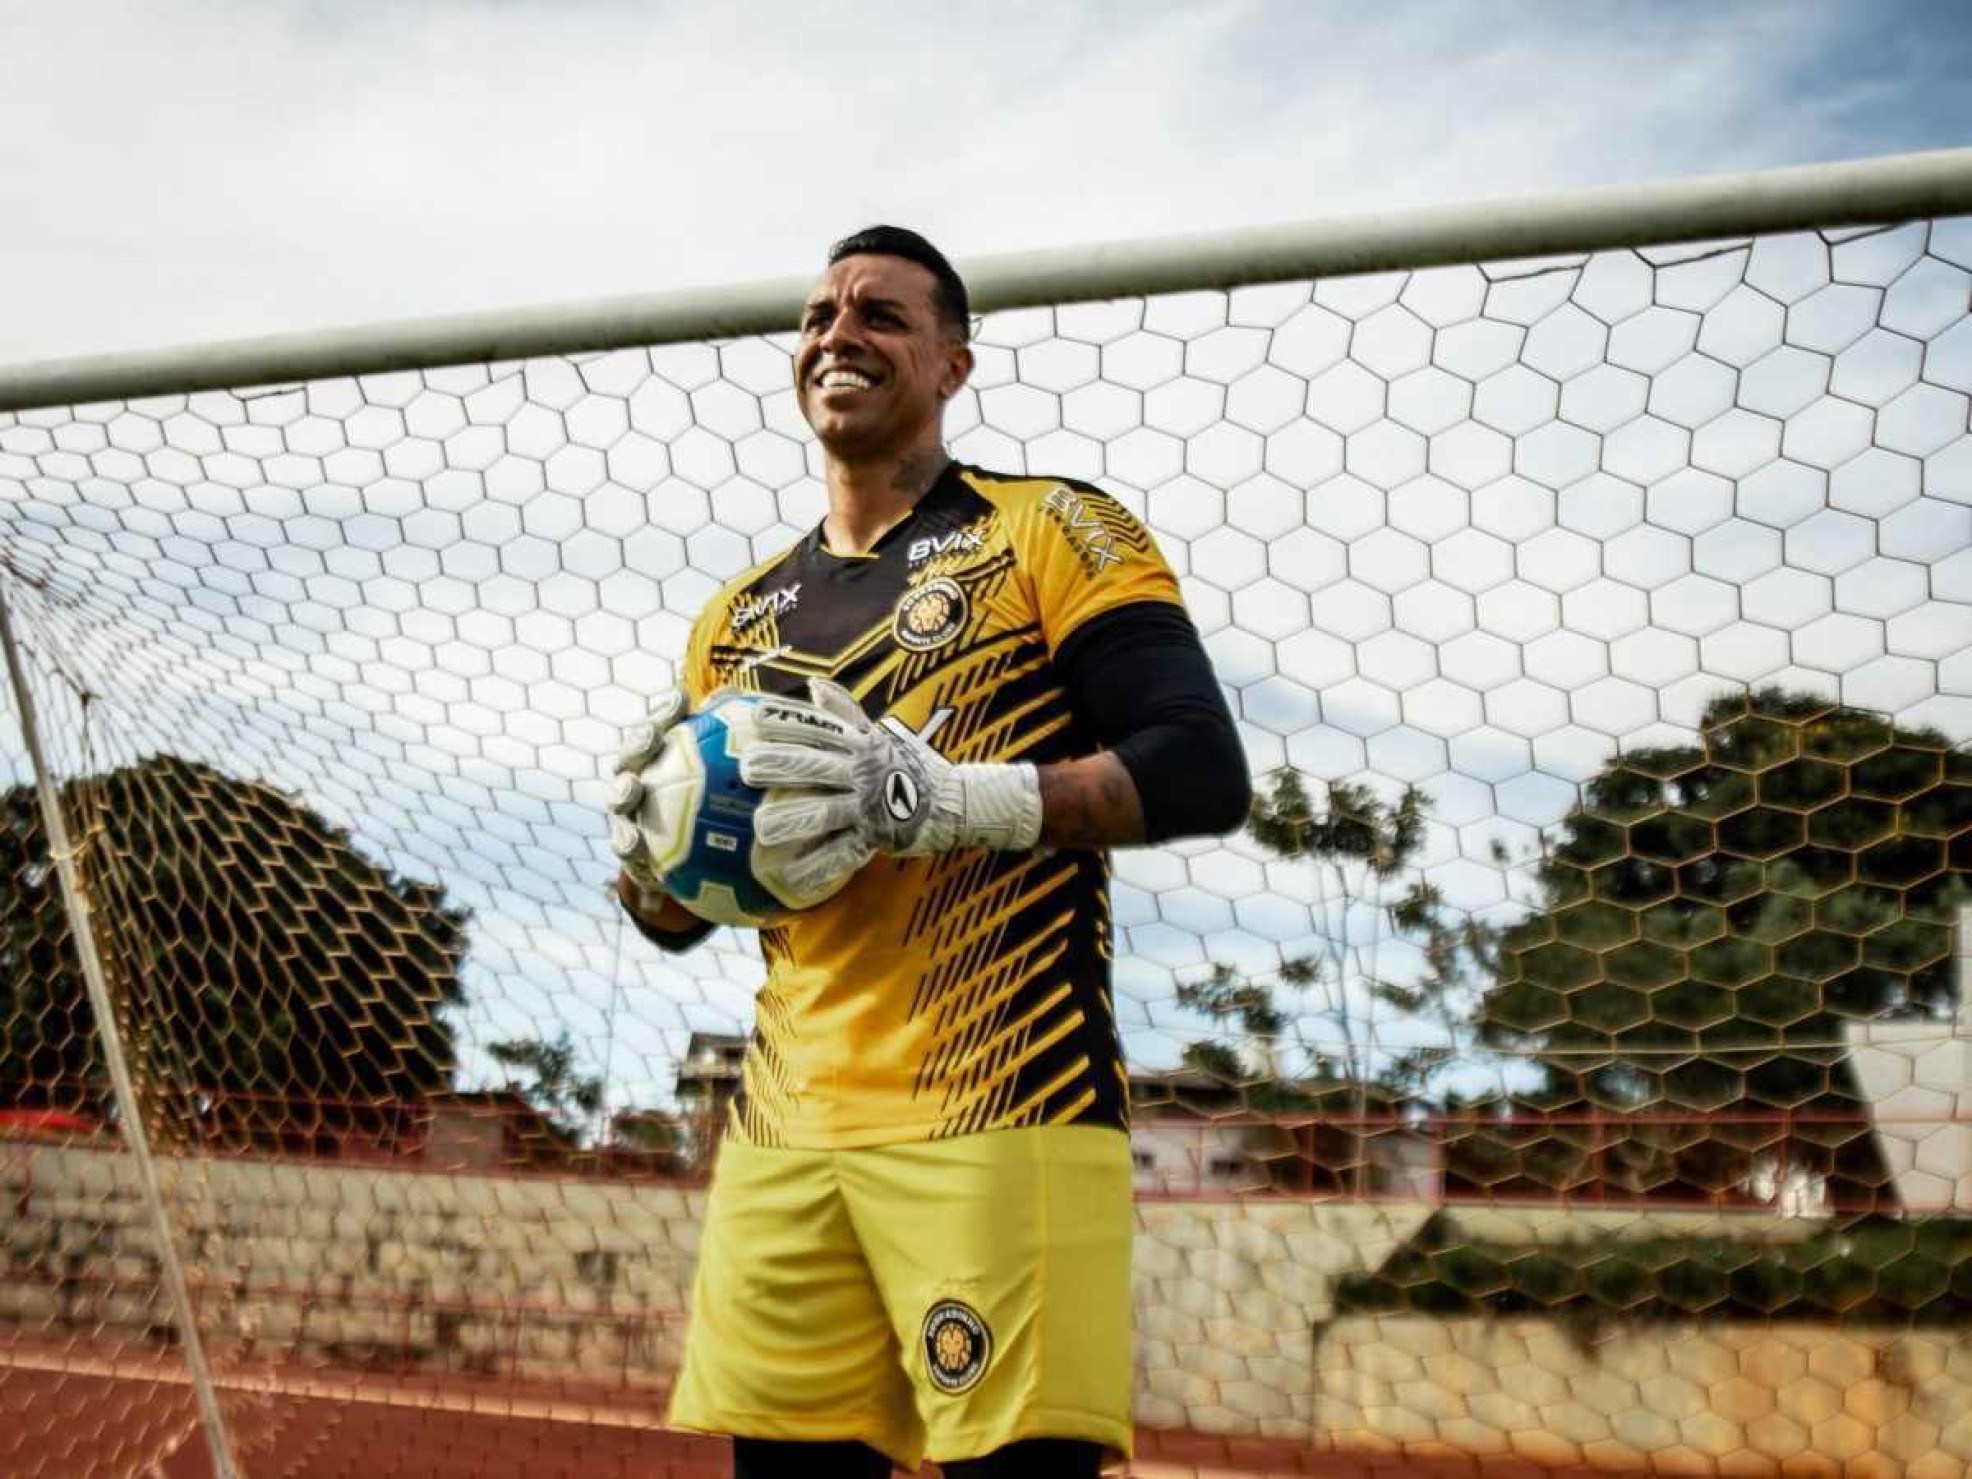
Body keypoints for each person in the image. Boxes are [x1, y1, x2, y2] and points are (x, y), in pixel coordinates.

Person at [607, 226, 1251, 1479]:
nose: (838, 334)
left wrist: (964, 802)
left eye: (882, 316)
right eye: (818, 316)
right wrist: (649, 845)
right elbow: (679, 918)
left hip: (1002, 1115)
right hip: (785, 1132)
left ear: (953, 364)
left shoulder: (1050, 530)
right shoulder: (732, 621)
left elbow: (1198, 765)